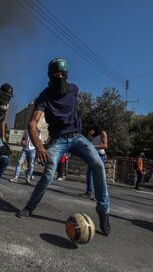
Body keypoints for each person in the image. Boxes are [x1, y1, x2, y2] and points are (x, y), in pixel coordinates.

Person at [15, 58, 111, 236]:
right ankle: (29, 207)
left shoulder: (73, 90)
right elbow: (32, 124)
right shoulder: (44, 96)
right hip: (58, 140)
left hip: (77, 137)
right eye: (56, 74)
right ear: (49, 76)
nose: (60, 77)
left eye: (63, 74)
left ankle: (103, 212)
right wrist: (40, 147)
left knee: (98, 165)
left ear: (67, 75)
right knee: (49, 174)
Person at [85, 127, 108, 198]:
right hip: (93, 154)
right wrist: (89, 135)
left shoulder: (102, 133)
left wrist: (94, 146)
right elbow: (88, 142)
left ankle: (100, 194)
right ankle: (89, 192)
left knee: (98, 175)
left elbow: (105, 145)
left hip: (100, 155)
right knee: (89, 174)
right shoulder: (92, 133)